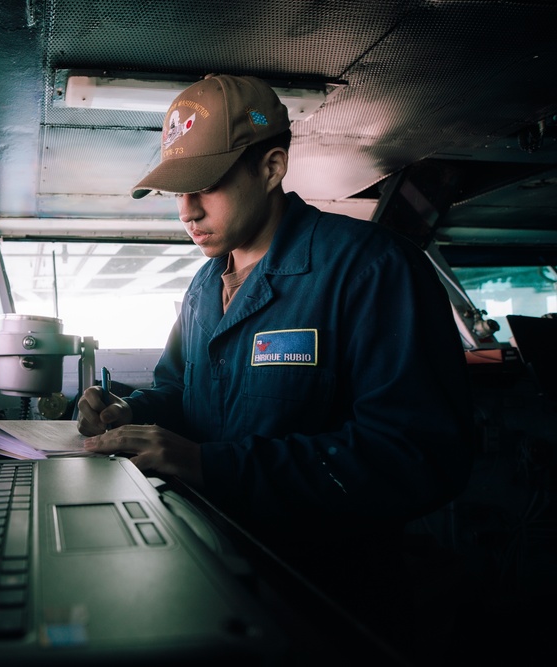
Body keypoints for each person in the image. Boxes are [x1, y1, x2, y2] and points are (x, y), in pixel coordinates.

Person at [76, 74, 475, 655]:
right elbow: (178, 391)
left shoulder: (370, 270)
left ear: (271, 167)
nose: (186, 211)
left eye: (205, 185)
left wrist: (212, 465)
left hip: (330, 600)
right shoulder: (204, 284)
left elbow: (417, 456)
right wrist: (127, 411)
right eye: (175, 192)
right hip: (219, 574)